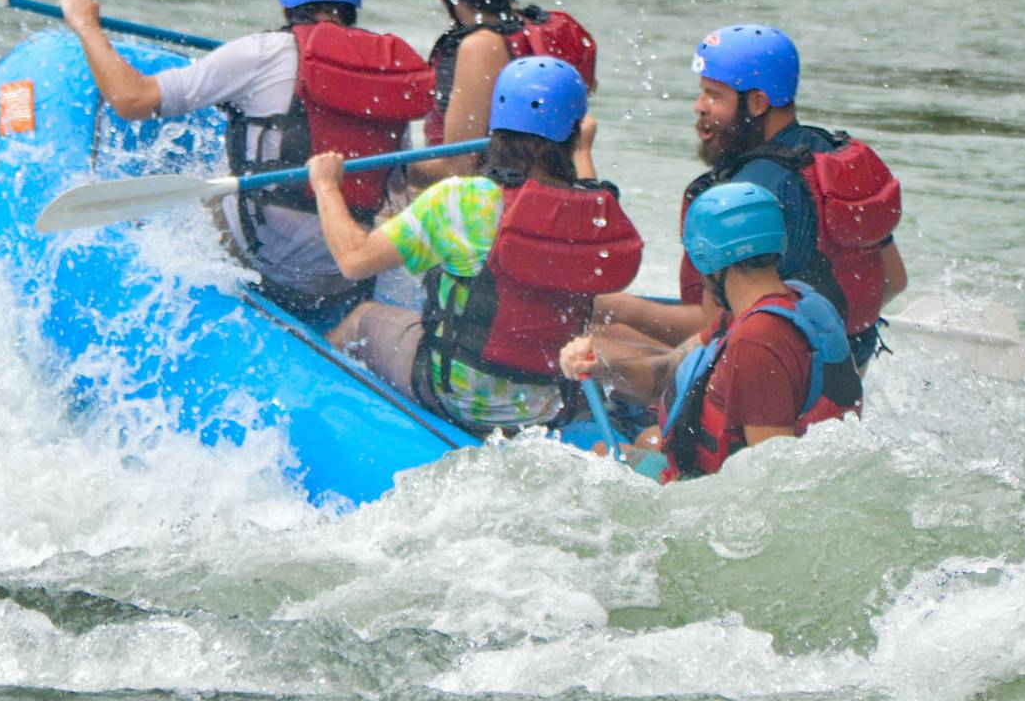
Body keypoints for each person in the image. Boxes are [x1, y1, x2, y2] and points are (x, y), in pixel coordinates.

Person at [60, 0, 433, 328]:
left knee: (207, 188)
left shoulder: (261, 53)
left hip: (270, 260)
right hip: (345, 271)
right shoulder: (390, 69)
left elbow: (132, 100)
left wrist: (87, 26)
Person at [304, 57, 640, 436]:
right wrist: (580, 148)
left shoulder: (463, 200)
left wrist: (327, 185)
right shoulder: (594, 213)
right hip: (547, 405)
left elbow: (354, 260)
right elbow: (586, 189)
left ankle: (316, 416)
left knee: (360, 319)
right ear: (576, 133)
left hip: (458, 398)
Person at [590, 25, 905, 387]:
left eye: (713, 95)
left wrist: (621, 308)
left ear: (757, 102)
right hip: (843, 371)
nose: (699, 106)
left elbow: (716, 326)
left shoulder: (741, 198)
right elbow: (894, 279)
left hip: (769, 376)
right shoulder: (832, 160)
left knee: (594, 335)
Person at [562, 182, 853, 481]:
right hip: (720, 480)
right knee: (645, 440)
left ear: (705, 258)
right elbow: (663, 374)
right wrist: (601, 368)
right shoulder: (793, 304)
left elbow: (774, 480)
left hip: (711, 500)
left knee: (588, 452)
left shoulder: (757, 342)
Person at [410, 0, 598, 184]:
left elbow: (457, 168)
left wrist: (391, 168)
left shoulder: (480, 46)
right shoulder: (540, 27)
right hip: (543, 191)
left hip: (487, 204)